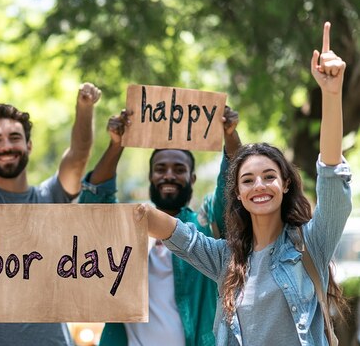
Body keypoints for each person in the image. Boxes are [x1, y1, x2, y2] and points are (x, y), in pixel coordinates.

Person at [136, 22, 350, 345]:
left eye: (269, 176)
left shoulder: (312, 244)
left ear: (286, 184)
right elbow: (178, 235)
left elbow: (332, 178)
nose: (259, 186)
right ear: (238, 193)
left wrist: (331, 95)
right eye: (247, 180)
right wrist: (133, 216)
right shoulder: (226, 260)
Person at [0, 15, 100, 345]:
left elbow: (79, 157)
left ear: (29, 145)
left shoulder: (50, 198)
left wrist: (84, 109)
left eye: (14, 137)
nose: (7, 146)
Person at [80, 106, 240, 346]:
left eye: (179, 169)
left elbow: (233, 185)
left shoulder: (205, 228)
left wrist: (230, 135)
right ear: (150, 177)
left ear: (192, 179)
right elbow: (93, 205)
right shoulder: (126, 227)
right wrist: (117, 144)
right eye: (160, 169)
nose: (169, 175)